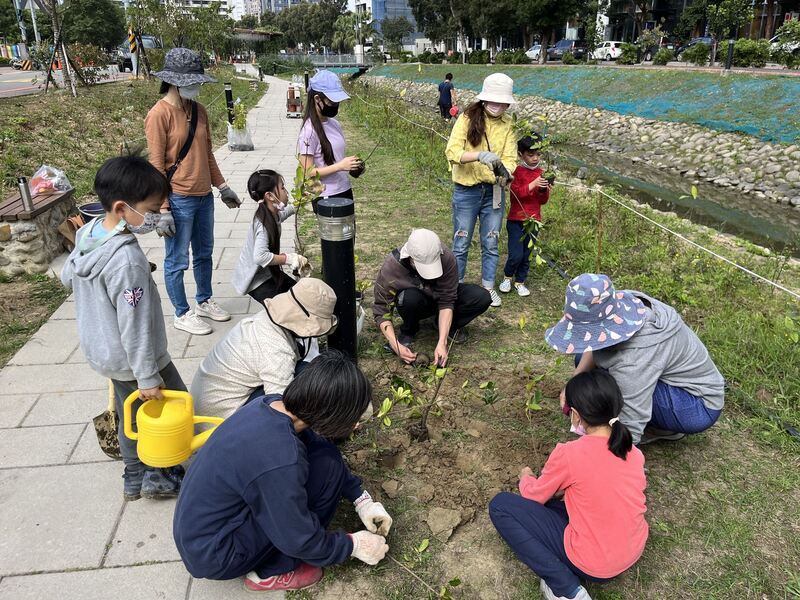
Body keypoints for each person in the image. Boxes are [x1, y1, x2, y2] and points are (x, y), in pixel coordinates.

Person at [174, 351, 392, 592]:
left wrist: (361, 499)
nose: (356, 425)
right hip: (216, 552)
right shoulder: (280, 458)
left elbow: (320, 447)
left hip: (201, 527)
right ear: (330, 413)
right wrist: (353, 545)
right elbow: (299, 538)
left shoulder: (271, 404)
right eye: (352, 419)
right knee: (295, 522)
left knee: (326, 458)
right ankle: (271, 572)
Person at [61, 155, 187, 501]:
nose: (156, 215)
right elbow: (134, 326)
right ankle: (157, 474)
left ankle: (133, 476)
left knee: (128, 412)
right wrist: (147, 376)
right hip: (136, 358)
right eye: (150, 209)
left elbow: (67, 276)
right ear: (121, 207)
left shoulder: (88, 232)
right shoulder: (127, 262)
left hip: (104, 350)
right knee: (170, 406)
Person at [490, 370, 648, 600]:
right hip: (632, 548)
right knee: (559, 504)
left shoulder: (569, 454)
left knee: (501, 506)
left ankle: (567, 590)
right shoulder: (632, 450)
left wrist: (525, 476)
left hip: (595, 563)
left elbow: (533, 496)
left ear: (575, 414)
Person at [545, 273, 725, 445]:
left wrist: (608, 447)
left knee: (609, 384)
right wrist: (573, 381)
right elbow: (594, 343)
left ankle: (663, 427)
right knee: (583, 364)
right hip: (665, 379)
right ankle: (658, 422)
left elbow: (631, 420)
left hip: (696, 404)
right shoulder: (621, 305)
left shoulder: (635, 356)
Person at [145, 47, 241, 336]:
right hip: (178, 199)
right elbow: (156, 166)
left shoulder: (199, 111)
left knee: (204, 253)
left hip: (204, 197)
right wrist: (162, 210)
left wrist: (222, 187)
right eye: (192, 81)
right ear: (174, 81)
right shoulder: (158, 115)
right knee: (177, 260)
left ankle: (204, 300)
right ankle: (182, 312)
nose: (197, 86)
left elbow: (207, 154)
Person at [191, 278, 337, 419]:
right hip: (220, 422)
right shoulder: (276, 349)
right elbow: (278, 411)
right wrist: (326, 422)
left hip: (205, 408)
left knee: (305, 370)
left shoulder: (265, 319)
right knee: (308, 379)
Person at [445, 73, 517, 308]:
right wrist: (479, 156)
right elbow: (452, 152)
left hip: (494, 191)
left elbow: (510, 158)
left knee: (491, 241)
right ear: (484, 99)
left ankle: (487, 287)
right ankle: (456, 288)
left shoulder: (508, 124)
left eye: (502, 101)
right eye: (493, 100)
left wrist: (506, 172)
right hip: (467, 191)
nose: (497, 105)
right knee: (461, 241)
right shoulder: (467, 118)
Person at [373, 229, 491, 366]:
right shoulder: (392, 267)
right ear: (410, 258)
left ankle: (446, 325)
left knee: (481, 297)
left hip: (439, 296)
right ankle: (409, 329)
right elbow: (382, 309)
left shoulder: (446, 257)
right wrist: (395, 345)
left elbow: (447, 300)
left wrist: (442, 342)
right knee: (408, 298)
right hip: (416, 301)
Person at [233, 169, 309, 306]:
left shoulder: (271, 214)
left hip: (267, 274)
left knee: (300, 298)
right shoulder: (263, 225)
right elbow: (260, 256)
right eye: (282, 187)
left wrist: (298, 202)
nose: (286, 192)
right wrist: (289, 258)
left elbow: (282, 215)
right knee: (291, 309)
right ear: (270, 196)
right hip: (256, 281)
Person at [297, 70, 362, 212]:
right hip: (326, 196)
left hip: (344, 190)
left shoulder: (334, 124)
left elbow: (336, 159)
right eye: (332, 101)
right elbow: (308, 173)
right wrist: (340, 166)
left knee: (349, 234)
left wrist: (352, 167)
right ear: (317, 99)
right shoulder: (308, 132)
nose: (336, 105)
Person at [500, 133, 552, 298]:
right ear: (521, 154)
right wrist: (533, 184)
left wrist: (543, 189)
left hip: (533, 220)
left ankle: (520, 282)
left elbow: (542, 201)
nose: (535, 158)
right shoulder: (516, 171)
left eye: (538, 154)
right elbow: (516, 194)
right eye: (531, 155)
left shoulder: (542, 173)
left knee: (527, 254)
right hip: (516, 220)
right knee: (516, 254)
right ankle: (507, 277)